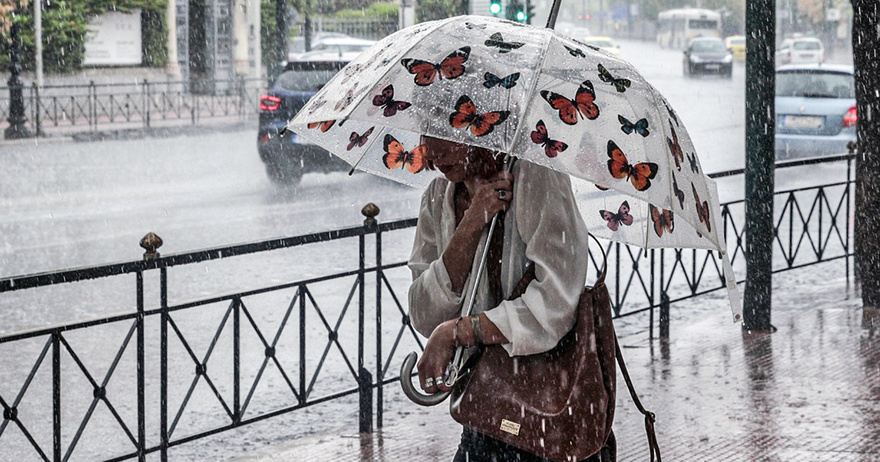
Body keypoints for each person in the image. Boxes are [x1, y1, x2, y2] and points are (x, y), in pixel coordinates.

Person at [407, 135, 610, 461]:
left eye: (446, 132)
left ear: (481, 126)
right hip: (483, 409)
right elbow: (424, 313)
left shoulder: (535, 174)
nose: (434, 150)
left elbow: (556, 301)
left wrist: (458, 331)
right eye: (425, 131)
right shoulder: (438, 196)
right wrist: (471, 224)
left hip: (551, 410)